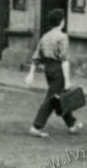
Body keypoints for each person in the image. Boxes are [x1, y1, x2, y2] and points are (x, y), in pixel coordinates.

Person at [26, 8, 83, 138]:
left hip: (48, 69)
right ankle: (36, 126)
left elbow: (36, 57)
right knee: (52, 99)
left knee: (58, 97)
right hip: (58, 69)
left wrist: (31, 73)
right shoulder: (63, 37)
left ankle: (72, 124)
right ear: (62, 22)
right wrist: (68, 81)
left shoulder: (44, 36)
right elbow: (64, 60)